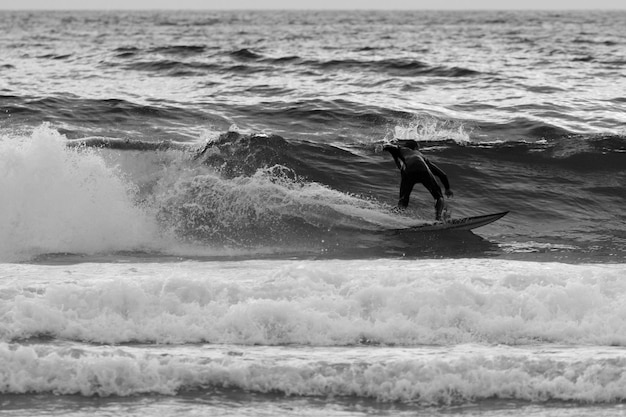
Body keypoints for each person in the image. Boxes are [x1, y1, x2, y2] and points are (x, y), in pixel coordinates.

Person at [383, 139, 453, 221]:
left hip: (408, 172)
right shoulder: (421, 156)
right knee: (439, 197)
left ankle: (392, 217)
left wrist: (383, 146)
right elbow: (442, 174)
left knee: (403, 201)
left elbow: (390, 147)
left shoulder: (401, 149)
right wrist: (447, 189)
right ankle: (438, 218)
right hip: (423, 170)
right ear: (416, 148)